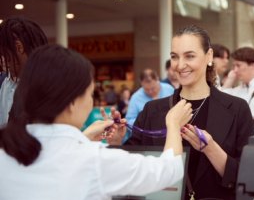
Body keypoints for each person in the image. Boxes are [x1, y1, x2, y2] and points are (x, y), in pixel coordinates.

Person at [0, 44, 193, 200]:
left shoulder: (6, 151)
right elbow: (168, 171)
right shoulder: (93, 160)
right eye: (90, 93)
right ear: (71, 102)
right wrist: (174, 124)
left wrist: (84, 138)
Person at [125, 25, 254, 200]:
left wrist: (211, 149)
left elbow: (248, 176)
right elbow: (133, 166)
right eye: (174, 57)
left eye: (190, 56)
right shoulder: (153, 110)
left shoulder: (237, 108)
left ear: (208, 56)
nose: (180, 65)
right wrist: (117, 141)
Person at [0, 16, 48, 126]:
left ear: (18, 47)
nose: (1, 60)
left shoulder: (47, 87)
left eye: (2, 53)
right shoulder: (5, 82)